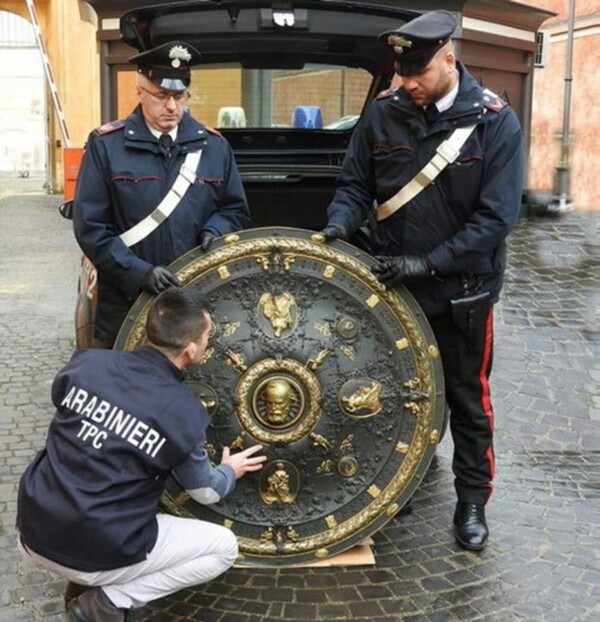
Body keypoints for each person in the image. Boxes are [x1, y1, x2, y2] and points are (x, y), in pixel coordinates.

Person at [320, 10, 524, 551]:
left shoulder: (492, 121)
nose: (408, 82)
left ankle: (472, 501)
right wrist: (340, 224)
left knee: (466, 400)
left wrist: (430, 262)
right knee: (390, 394)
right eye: (402, 72)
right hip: (394, 287)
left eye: (420, 72)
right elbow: (355, 184)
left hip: (462, 291)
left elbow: (495, 219)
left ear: (449, 59)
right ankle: (396, 483)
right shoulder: (385, 112)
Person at [16, 288, 266, 621]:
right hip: (99, 546)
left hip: (34, 530)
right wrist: (228, 470)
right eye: (207, 336)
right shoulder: (182, 413)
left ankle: (79, 581)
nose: (208, 342)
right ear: (190, 350)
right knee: (223, 547)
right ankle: (105, 601)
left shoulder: (87, 364)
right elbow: (205, 491)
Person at [73, 41, 250, 348]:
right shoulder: (106, 145)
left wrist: (215, 230)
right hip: (127, 301)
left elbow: (234, 210)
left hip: (195, 300)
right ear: (139, 91)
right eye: (161, 95)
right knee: (126, 388)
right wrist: (138, 273)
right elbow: (91, 227)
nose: (171, 107)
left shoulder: (214, 146)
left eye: (179, 96)